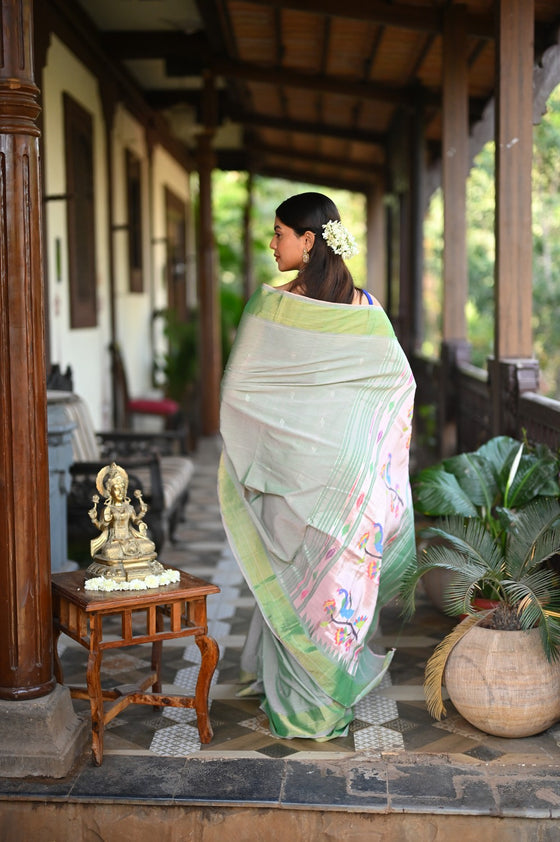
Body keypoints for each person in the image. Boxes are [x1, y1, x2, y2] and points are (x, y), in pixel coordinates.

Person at [218, 192, 416, 740]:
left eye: (279, 233)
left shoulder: (272, 308)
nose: (272, 242)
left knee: (296, 587)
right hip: (350, 479)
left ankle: (298, 707)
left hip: (294, 475)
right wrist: (365, 448)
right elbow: (399, 384)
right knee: (333, 591)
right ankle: (327, 703)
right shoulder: (366, 308)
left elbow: (238, 392)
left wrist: (283, 437)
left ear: (309, 242)